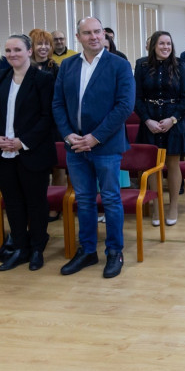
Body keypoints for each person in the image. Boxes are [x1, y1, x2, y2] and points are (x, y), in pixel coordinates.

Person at [53, 17, 135, 278]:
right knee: (85, 200)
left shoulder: (119, 65)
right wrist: (68, 135)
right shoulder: (67, 65)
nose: (94, 37)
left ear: (104, 35)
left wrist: (95, 137)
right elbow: (57, 104)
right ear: (78, 38)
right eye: (87, 33)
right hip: (75, 146)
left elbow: (124, 106)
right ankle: (87, 251)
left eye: (97, 32)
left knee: (110, 199)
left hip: (106, 145)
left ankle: (114, 252)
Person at [0, 34, 56, 271]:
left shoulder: (43, 79)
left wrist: (23, 142)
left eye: (17, 50)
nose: (12, 55)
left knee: (36, 202)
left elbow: (47, 117)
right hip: (2, 153)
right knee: (12, 202)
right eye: (8, 51)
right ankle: (20, 247)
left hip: (32, 152)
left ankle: (37, 247)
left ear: (29, 51)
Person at [135, 31, 185, 225]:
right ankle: (156, 207)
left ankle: (173, 205)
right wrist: (147, 120)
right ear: (153, 45)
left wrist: (173, 119)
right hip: (150, 120)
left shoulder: (180, 65)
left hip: (173, 120)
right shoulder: (142, 65)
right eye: (161, 44)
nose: (165, 47)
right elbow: (136, 98)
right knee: (153, 167)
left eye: (168, 43)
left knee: (172, 163)